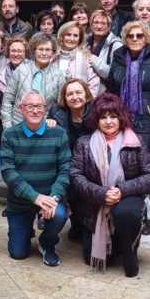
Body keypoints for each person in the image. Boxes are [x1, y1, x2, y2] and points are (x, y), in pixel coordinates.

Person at [70, 93, 150, 276]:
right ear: (96, 120)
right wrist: (102, 193)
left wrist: (121, 190)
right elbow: (76, 176)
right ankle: (117, 242)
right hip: (95, 203)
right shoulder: (84, 143)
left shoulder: (135, 141)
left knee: (125, 213)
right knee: (92, 258)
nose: (108, 122)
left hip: (127, 197)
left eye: (113, 116)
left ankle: (130, 253)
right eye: (103, 117)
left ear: (121, 118)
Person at [0, 90, 71, 266]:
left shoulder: (59, 133)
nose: (35, 111)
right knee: (18, 253)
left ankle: (47, 243)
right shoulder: (9, 135)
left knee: (59, 215)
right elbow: (8, 173)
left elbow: (65, 170)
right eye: (30, 106)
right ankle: (20, 231)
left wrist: (53, 198)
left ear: (45, 109)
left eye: (39, 106)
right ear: (21, 108)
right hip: (20, 201)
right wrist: (35, 197)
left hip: (49, 198)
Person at [106, 20, 150, 162]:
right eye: (130, 36)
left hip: (149, 121)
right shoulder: (118, 60)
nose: (135, 39)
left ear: (146, 38)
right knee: (123, 163)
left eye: (139, 35)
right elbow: (111, 89)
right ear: (125, 39)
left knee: (147, 165)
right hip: (122, 120)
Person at [47, 78, 94, 240]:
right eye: (70, 94)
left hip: (91, 165)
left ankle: (89, 227)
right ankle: (76, 226)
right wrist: (49, 123)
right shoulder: (56, 112)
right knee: (73, 196)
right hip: (67, 164)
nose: (75, 97)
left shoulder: (96, 112)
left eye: (78, 92)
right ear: (64, 98)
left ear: (86, 95)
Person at [1, 33, 64, 128]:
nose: (44, 53)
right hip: (18, 125)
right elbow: (7, 100)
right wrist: (8, 127)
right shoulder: (21, 70)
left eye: (47, 50)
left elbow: (61, 105)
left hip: (45, 127)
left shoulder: (58, 75)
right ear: (34, 51)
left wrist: (53, 120)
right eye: (40, 49)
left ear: (53, 52)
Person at [0, 36, 29, 147]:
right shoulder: (0, 74)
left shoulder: (33, 70)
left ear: (25, 53)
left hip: (28, 120)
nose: (16, 54)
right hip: (5, 121)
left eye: (19, 51)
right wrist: (3, 114)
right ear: (8, 52)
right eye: (13, 51)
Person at [54, 21, 101, 96]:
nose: (71, 38)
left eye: (75, 36)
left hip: (80, 101)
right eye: (68, 34)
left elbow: (94, 84)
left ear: (80, 39)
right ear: (62, 37)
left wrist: (86, 101)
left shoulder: (86, 58)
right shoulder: (53, 57)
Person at [86, 9, 122, 89]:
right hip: (86, 89)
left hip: (104, 92)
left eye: (103, 23)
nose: (99, 26)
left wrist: (96, 62)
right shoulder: (85, 42)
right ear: (91, 25)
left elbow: (116, 75)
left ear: (109, 26)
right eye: (96, 22)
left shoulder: (116, 45)